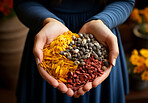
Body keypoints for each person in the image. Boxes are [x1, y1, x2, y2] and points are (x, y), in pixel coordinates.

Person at [14, 0, 135, 103]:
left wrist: (104, 20)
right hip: (47, 37)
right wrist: (48, 21)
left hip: (100, 35)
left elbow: (125, 0)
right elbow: (23, 2)